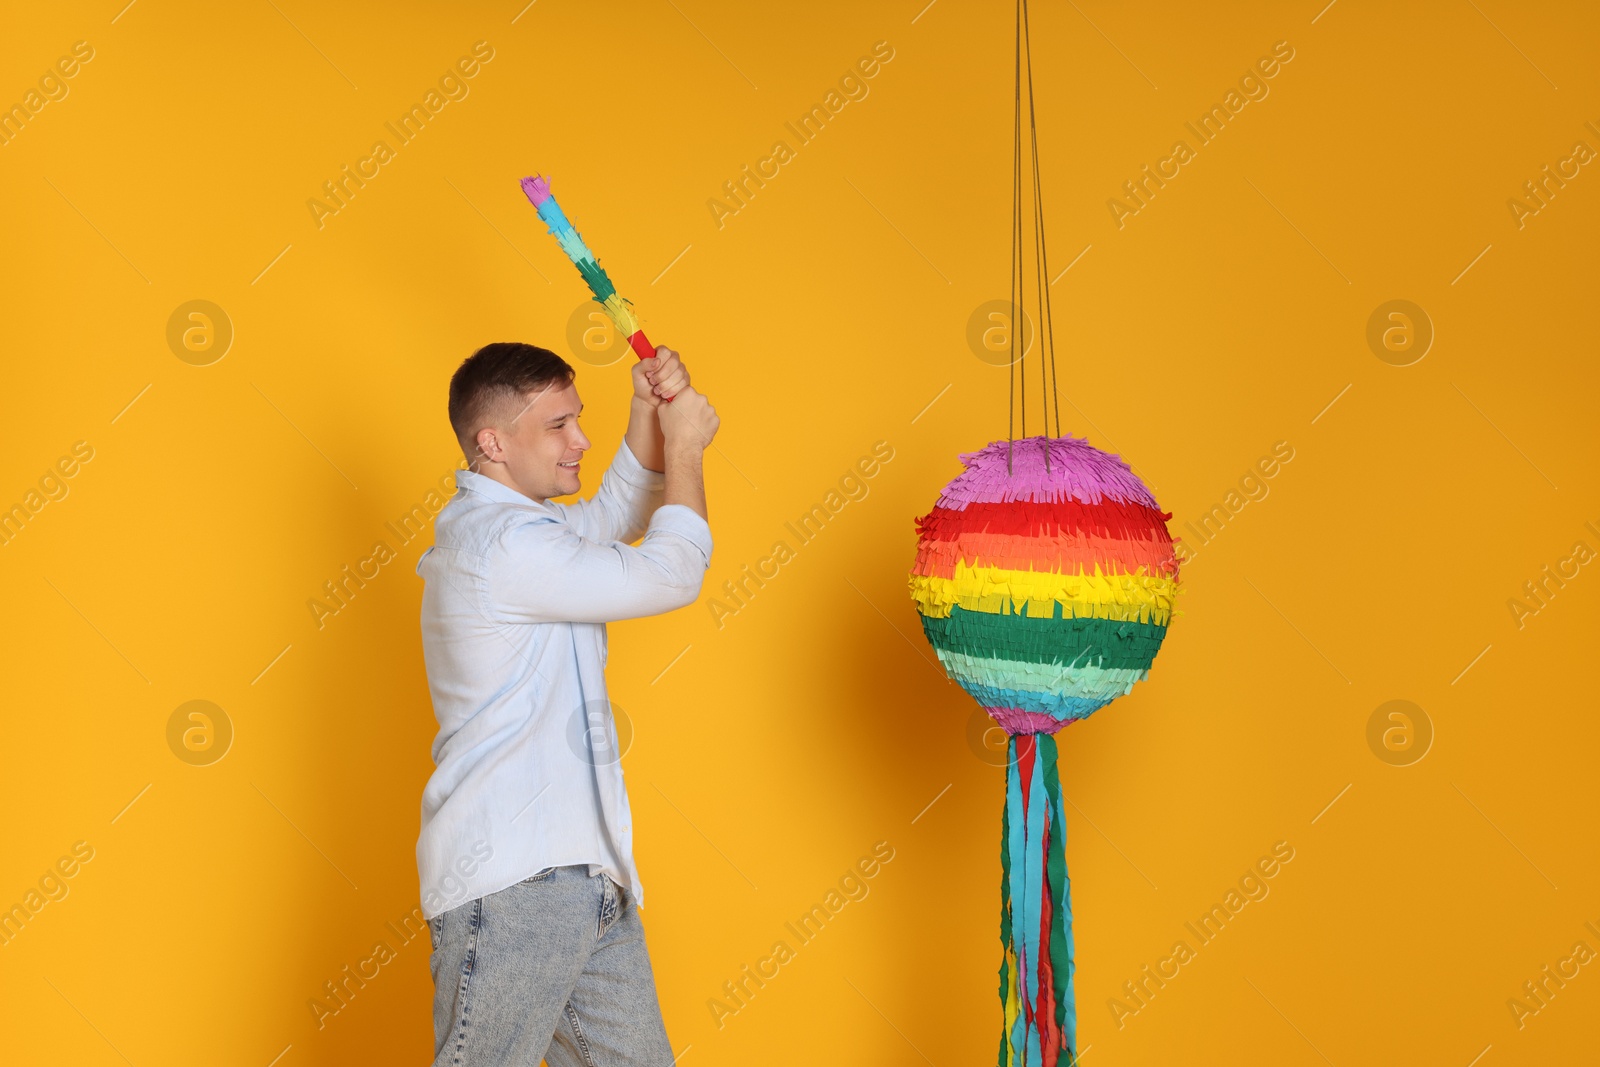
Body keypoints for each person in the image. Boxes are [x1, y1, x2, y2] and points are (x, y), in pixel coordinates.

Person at [413, 340, 719, 1065]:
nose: (580, 438)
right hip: (516, 886)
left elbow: (615, 511)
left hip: (586, 882)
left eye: (578, 418)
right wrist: (687, 448)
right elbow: (673, 571)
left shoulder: (527, 534)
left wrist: (647, 408)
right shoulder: (502, 546)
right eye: (558, 425)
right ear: (492, 441)